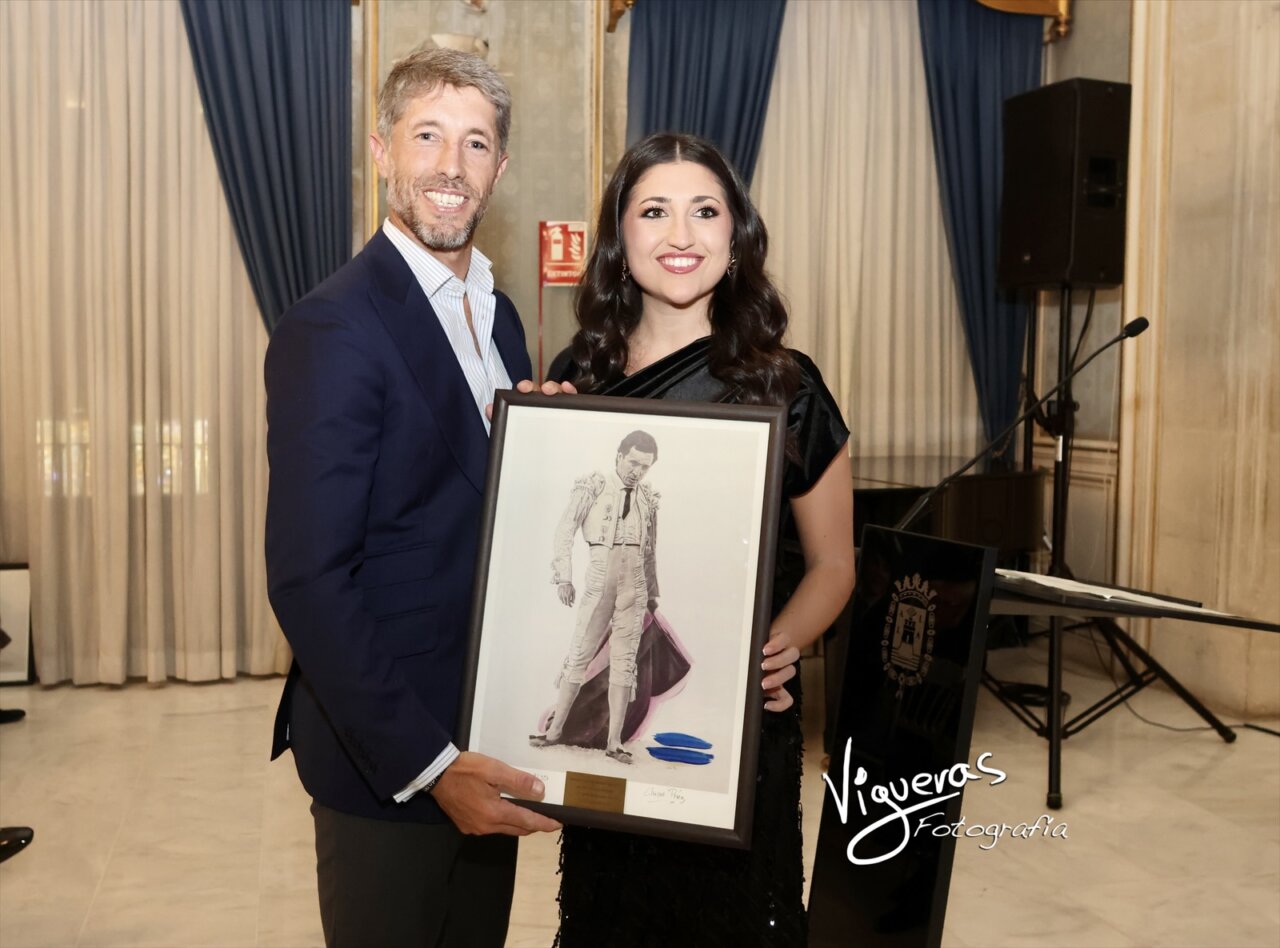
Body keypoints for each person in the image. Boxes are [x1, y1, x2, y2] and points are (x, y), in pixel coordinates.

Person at [264, 47, 560, 948]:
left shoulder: (501, 318)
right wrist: (432, 766)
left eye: (476, 143)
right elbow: (310, 579)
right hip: (388, 758)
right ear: (381, 150)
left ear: (499, 169)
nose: (450, 165)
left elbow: (465, 510)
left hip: (486, 731)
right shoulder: (334, 324)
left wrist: (545, 450)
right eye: (427, 135)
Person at [549, 132, 856, 947]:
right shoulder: (579, 376)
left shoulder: (787, 384)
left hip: (742, 719)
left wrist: (780, 647)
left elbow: (834, 565)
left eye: (705, 211)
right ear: (620, 237)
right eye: (654, 211)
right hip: (615, 735)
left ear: (737, 235)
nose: (680, 235)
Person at [532, 430, 662, 763]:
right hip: (600, 579)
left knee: (624, 662)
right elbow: (565, 529)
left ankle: (614, 742)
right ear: (619, 456)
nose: (637, 471)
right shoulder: (593, 486)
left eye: (644, 467)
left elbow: (650, 549)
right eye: (633, 462)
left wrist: (652, 593)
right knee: (579, 654)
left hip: (635, 586)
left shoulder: (647, 498)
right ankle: (555, 730)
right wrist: (564, 576)